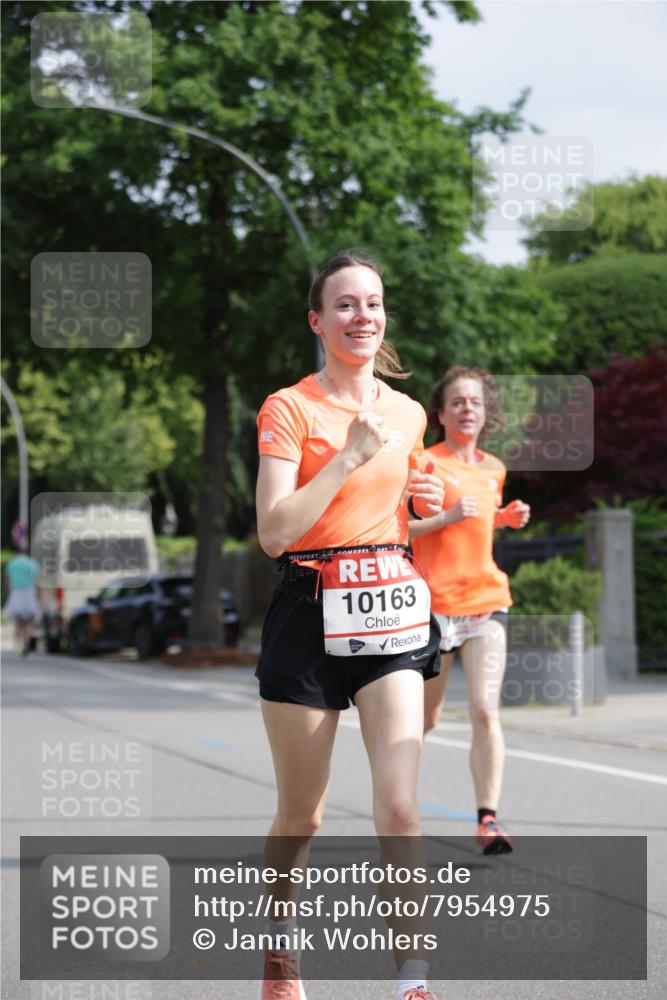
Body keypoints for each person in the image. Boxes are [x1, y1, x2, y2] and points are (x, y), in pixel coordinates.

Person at [255, 250, 445, 1000]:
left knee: (399, 801)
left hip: (389, 612)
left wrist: (421, 505)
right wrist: (343, 459)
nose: (361, 315)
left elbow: (400, 513)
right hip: (307, 610)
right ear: (317, 320)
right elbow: (275, 532)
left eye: (372, 303)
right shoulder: (288, 408)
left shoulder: (408, 412)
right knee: (302, 814)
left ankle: (413, 979)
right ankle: (279, 947)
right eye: (344, 304)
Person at [409, 367, 530, 855]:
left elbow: (480, 526)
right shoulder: (425, 463)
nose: (467, 409)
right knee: (425, 720)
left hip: (485, 602)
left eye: (475, 403)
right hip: (432, 608)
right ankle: (399, 808)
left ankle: (488, 821)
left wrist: (504, 518)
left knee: (484, 709)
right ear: (440, 413)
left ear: (485, 414)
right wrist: (447, 516)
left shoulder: (493, 468)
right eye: (457, 402)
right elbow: (402, 529)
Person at [4, 543, 42, 655]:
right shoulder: (32, 563)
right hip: (29, 593)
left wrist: (8, 593)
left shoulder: (12, 563)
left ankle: (17, 646)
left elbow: (7, 580)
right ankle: (27, 644)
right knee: (29, 622)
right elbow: (37, 580)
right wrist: (39, 595)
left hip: (16, 593)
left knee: (18, 622)